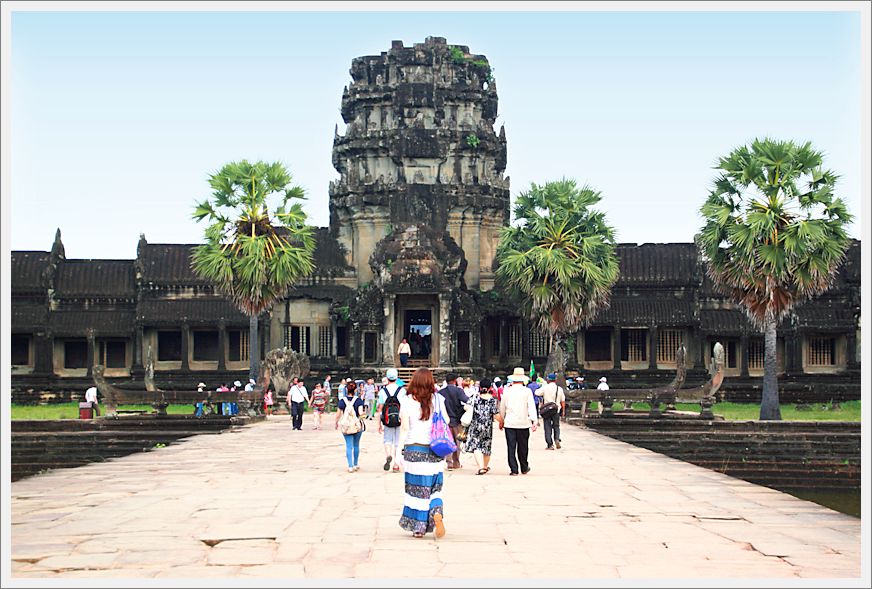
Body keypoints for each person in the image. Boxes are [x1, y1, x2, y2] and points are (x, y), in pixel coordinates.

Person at [397, 367, 447, 539]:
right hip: (434, 449)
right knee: (434, 488)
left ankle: (418, 527)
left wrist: (398, 453)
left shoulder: (407, 401)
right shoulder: (439, 399)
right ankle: (436, 512)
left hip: (413, 449)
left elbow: (403, 428)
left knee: (416, 489)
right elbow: (446, 421)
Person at [499, 367, 538, 476]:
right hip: (523, 422)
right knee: (523, 446)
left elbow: (502, 408)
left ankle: (514, 469)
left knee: (511, 447)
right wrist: (534, 421)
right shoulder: (527, 391)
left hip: (510, 423)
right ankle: (524, 467)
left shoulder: (507, 391)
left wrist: (502, 420)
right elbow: (531, 407)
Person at [463, 377, 501, 475]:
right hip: (487, 426)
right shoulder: (492, 400)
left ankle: (481, 467)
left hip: (475, 425)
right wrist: (502, 422)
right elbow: (496, 414)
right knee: (486, 447)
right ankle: (484, 466)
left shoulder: (474, 397)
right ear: (490, 388)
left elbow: (466, 406)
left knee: (476, 446)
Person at [378, 368, 407, 473]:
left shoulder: (382, 391)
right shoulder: (402, 390)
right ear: (396, 377)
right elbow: (404, 406)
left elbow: (380, 408)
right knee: (398, 442)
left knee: (387, 439)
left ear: (387, 378)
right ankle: (396, 464)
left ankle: (388, 455)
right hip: (399, 417)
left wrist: (379, 423)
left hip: (387, 418)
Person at [437, 374, 468, 470]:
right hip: (457, 419)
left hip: (445, 420)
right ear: (455, 381)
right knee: (457, 441)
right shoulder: (458, 391)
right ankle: (456, 462)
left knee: (447, 441)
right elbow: (467, 400)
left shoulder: (441, 392)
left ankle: (449, 462)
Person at [335, 382, 365, 473]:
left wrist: (336, 422)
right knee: (356, 445)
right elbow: (360, 413)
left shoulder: (342, 401)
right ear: (356, 390)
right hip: (356, 425)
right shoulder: (358, 400)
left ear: (346, 390)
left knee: (349, 446)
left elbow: (338, 414)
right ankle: (355, 464)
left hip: (346, 425)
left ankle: (350, 466)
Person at [536, 373, 566, 450]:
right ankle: (557, 438)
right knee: (556, 426)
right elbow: (563, 401)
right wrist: (563, 411)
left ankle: (550, 444)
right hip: (556, 409)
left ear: (548, 379)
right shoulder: (559, 389)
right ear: (555, 380)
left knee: (547, 426)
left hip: (547, 410)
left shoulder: (545, 388)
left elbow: (537, 393)